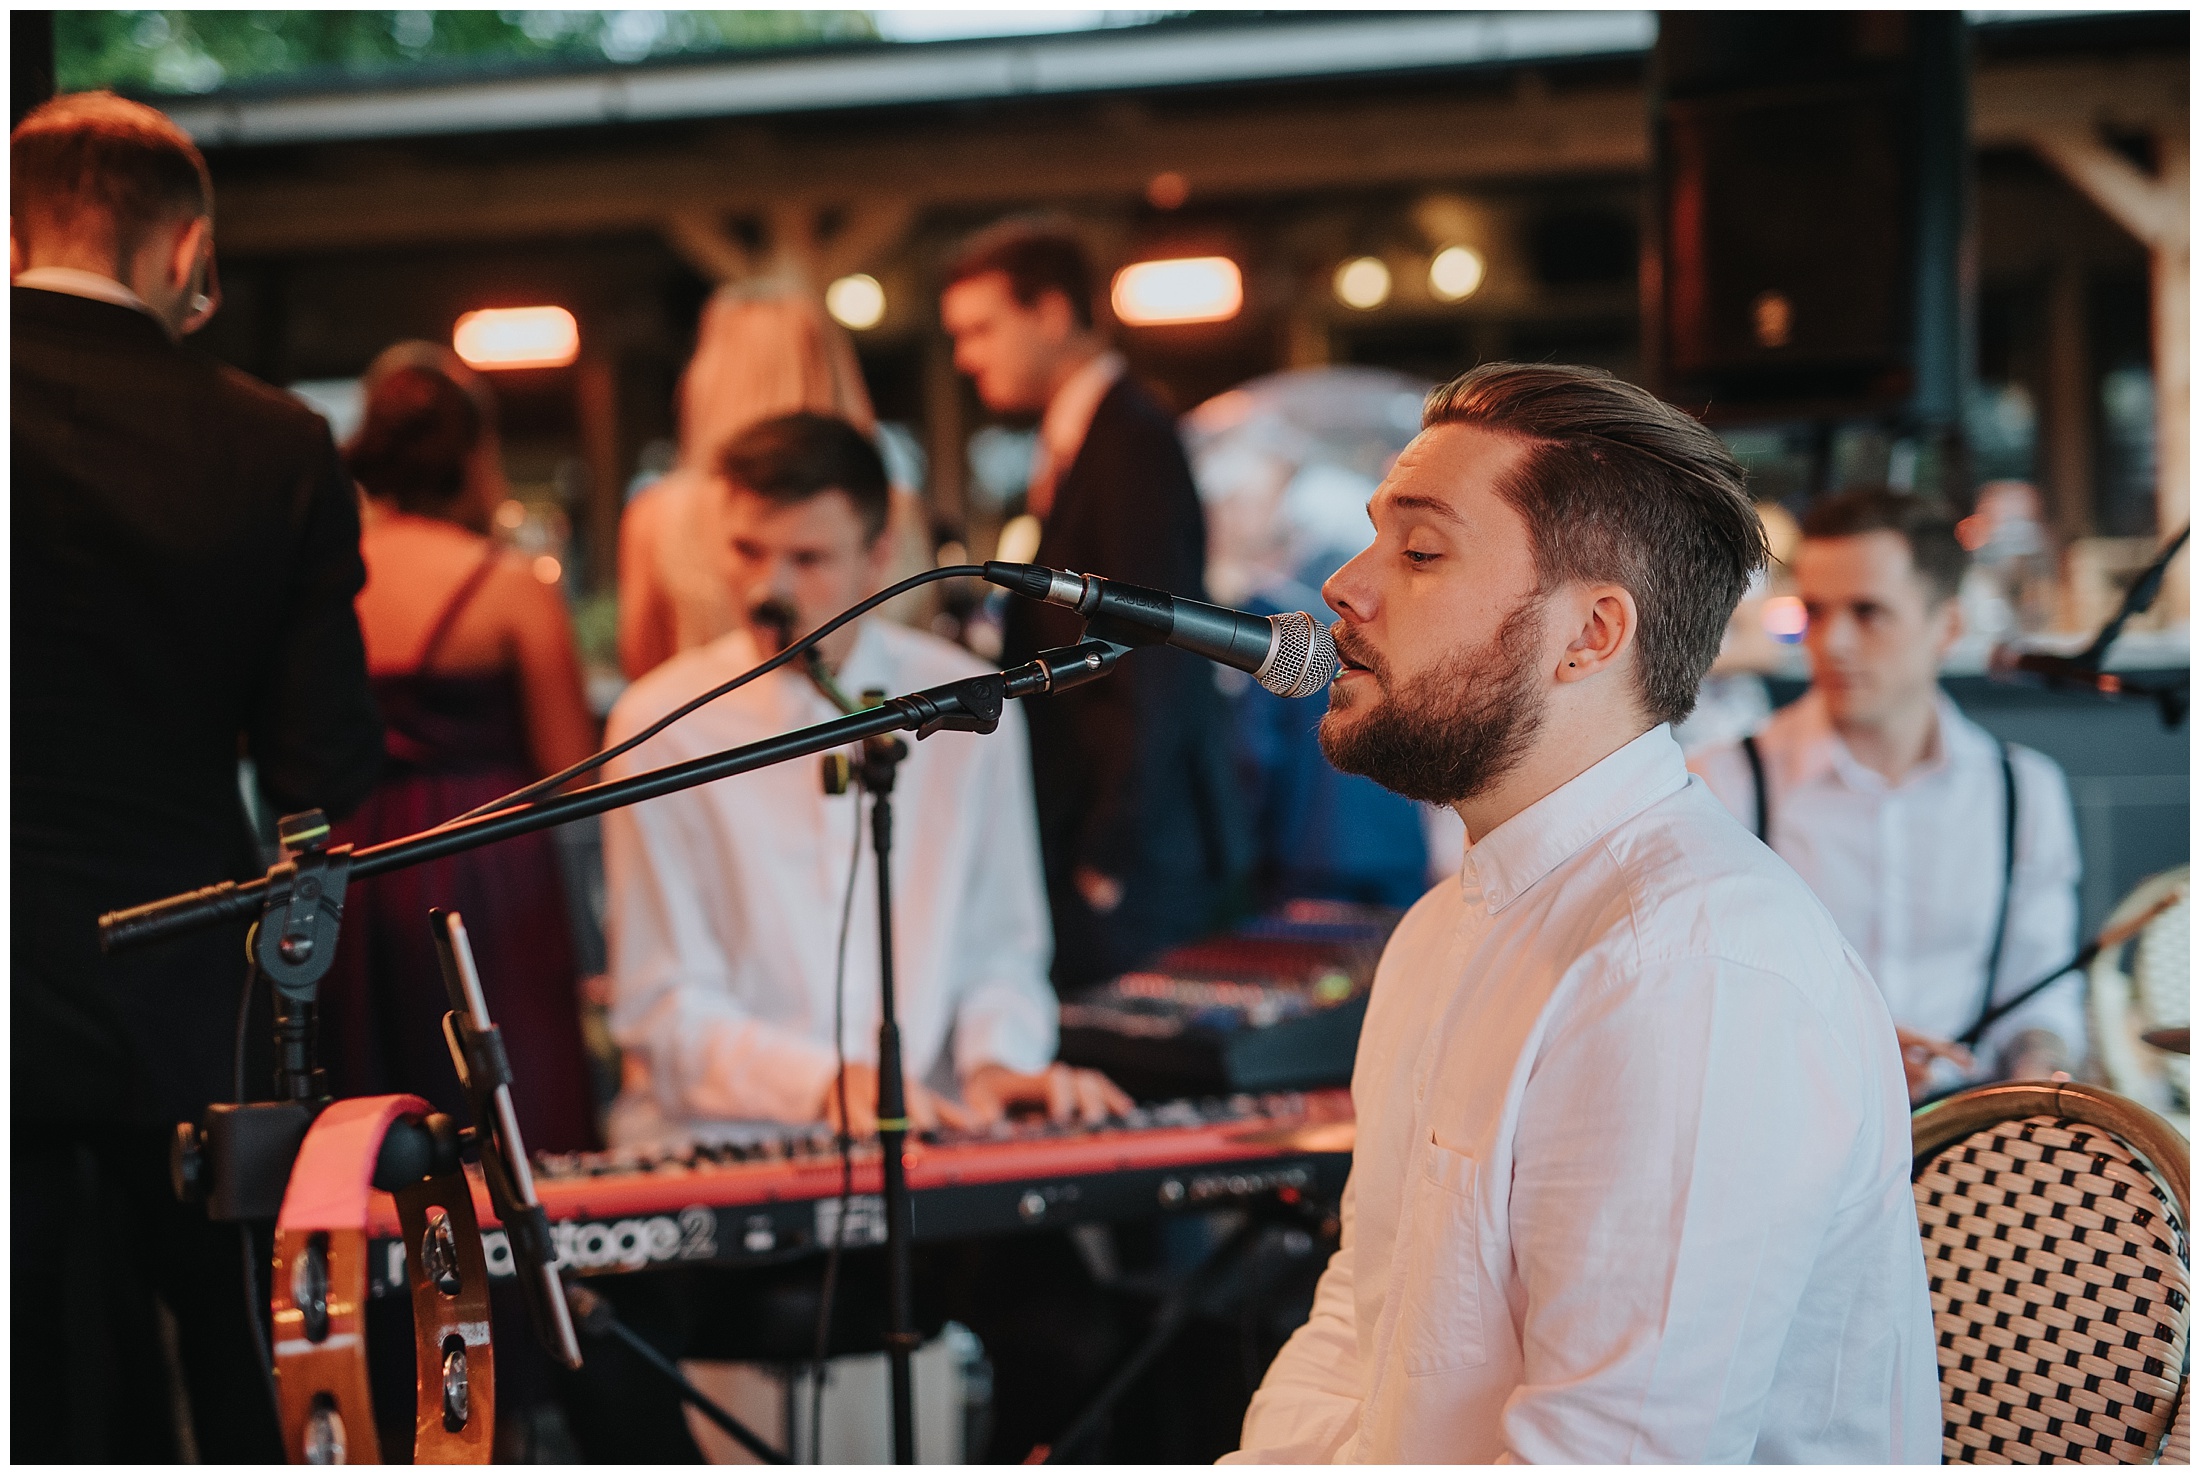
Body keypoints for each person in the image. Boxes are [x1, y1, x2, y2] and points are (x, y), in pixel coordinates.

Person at [1227, 364, 1937, 1463]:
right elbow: (1355, 1340)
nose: (1345, 587)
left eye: (1419, 552)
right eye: (1374, 539)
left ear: (1591, 634)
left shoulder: (1690, 968)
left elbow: (1612, 1452)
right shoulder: (1442, 928)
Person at [12, 92, 384, 1461]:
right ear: (188, 252)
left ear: (13, 235)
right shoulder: (273, 439)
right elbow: (324, 760)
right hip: (178, 975)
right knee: (240, 1354)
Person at [602, 410, 1128, 1141]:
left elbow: (1001, 947)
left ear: (878, 554)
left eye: (807, 558)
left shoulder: (967, 700)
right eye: (746, 551)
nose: (767, 589)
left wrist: (997, 1061)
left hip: (937, 1136)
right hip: (740, 1140)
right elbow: (660, 1003)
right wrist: (823, 1083)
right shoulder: (661, 723)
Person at [1689, 488, 2084, 1101]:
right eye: (1816, 613)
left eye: (1868, 612)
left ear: (1947, 626)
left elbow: (2041, 991)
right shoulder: (1723, 783)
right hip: (1790, 1133)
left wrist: (2039, 1074)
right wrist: (1839, 1050)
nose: (1832, 643)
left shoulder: (2023, 791)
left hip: (1972, 1141)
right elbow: (1696, 999)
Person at [941, 218, 1246, 991]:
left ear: (1050, 312)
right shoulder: (1082, 437)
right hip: (1107, 839)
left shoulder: (1130, 438)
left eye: (981, 328)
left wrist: (1109, 852)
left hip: (1133, 856)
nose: (964, 357)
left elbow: (1160, 648)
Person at [317, 361, 603, 1152]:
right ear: (475, 453)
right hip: (486, 861)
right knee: (505, 1095)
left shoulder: (333, 578)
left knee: (372, 1101)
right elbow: (571, 768)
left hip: (358, 862)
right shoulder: (506, 584)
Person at [617, 282, 931, 680]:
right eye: (748, 551)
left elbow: (647, 676)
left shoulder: (659, 515)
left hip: (710, 739)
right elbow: (918, 660)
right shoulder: (897, 508)